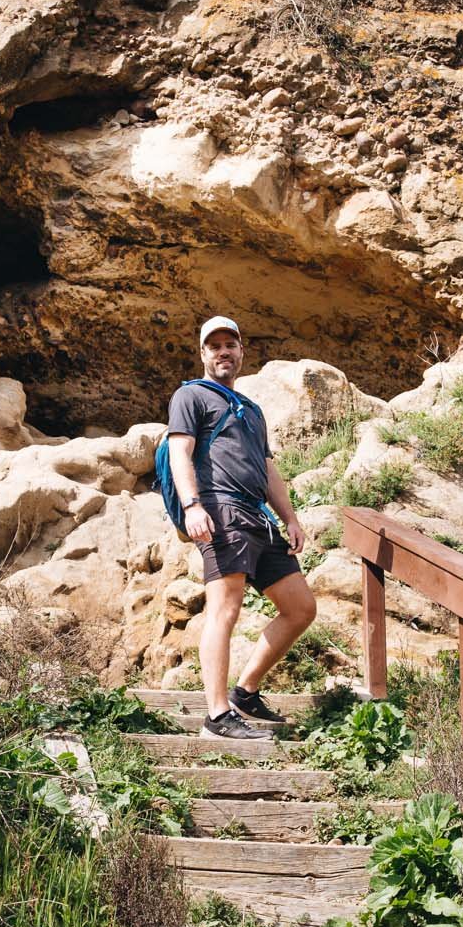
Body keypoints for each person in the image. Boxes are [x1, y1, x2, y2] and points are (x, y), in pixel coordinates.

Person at [166, 315, 318, 739]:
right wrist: (192, 504)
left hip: (258, 517)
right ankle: (216, 717)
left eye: (229, 344)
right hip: (221, 513)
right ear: (202, 354)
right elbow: (181, 453)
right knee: (225, 609)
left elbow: (267, 468)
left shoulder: (251, 410)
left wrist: (290, 517)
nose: (222, 352)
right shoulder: (191, 397)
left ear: (241, 350)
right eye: (213, 346)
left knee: (301, 607)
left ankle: (245, 693)